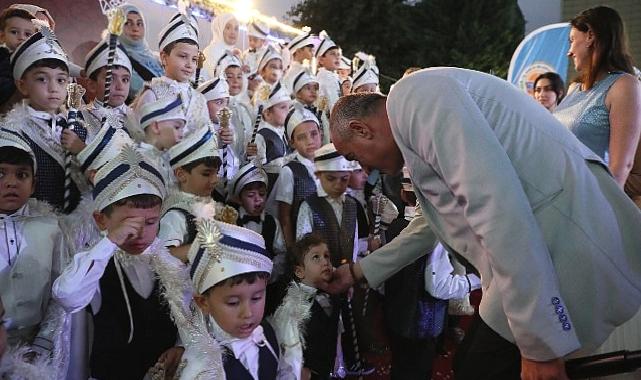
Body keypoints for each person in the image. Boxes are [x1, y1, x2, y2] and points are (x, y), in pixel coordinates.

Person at [327, 69, 641, 380]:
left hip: (566, 251)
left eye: (354, 156)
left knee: (476, 369)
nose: (364, 169)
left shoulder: (417, 98)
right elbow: (431, 222)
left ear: (362, 129)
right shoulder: (416, 109)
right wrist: (361, 271)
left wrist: (539, 343)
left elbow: (497, 209)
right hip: (542, 257)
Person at [52, 145, 182, 380]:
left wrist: (181, 346)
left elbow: (188, 315)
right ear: (101, 220)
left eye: (151, 222)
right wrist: (110, 242)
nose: (140, 233)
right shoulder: (96, 262)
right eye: (128, 224)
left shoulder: (165, 263)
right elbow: (68, 296)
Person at [296, 143, 373, 377]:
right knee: (322, 329)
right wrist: (316, 279)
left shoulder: (352, 204)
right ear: (318, 175)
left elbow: (355, 238)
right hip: (318, 282)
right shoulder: (309, 205)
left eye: (344, 178)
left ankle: (346, 364)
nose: (339, 185)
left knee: (346, 323)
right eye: (332, 179)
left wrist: (349, 271)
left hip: (343, 276)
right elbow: (303, 245)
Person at [0, 127, 70, 378]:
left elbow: (60, 292)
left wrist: (43, 343)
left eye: (22, 175)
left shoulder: (50, 228)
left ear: (33, 184)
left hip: (33, 349)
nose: (11, 182)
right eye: (1, 174)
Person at [554, 6, 641, 190]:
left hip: (589, 198)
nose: (569, 51)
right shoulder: (573, 88)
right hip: (557, 190)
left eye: (572, 40)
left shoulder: (624, 85)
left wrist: (598, 211)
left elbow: (620, 168)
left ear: (590, 36)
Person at [183, 218, 281, 379]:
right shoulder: (203, 369)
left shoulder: (266, 333)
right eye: (233, 302)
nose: (248, 313)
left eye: (256, 298)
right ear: (203, 302)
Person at [4, 23, 84, 213]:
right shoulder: (11, 131)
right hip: (33, 223)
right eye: (42, 79)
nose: (53, 88)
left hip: (78, 227)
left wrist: (82, 149)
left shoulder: (78, 126)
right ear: (23, 85)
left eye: (61, 80)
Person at [273, 233, 340, 380]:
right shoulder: (293, 306)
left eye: (326, 256)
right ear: (299, 271)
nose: (325, 262)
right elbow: (287, 344)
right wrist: (301, 372)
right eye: (316, 257)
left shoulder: (332, 293)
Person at [132, 10, 209, 138]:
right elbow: (140, 139)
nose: (189, 64)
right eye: (183, 56)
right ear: (164, 57)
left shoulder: (199, 99)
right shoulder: (152, 95)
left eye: (194, 59)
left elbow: (206, 136)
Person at [159, 126, 221, 263]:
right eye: (206, 174)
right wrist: (209, 245)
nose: (215, 180)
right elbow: (164, 256)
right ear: (181, 175)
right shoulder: (177, 215)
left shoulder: (210, 205)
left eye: (216, 173)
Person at [272, 103, 322, 250]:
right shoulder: (290, 171)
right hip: (304, 242)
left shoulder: (328, 163)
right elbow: (285, 217)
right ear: (292, 142)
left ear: (321, 133)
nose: (310, 141)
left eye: (314, 134)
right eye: (302, 137)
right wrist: (292, 251)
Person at [81, 37, 134, 142]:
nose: (120, 86)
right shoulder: (81, 118)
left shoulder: (137, 117)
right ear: (92, 85)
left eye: (125, 79)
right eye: (110, 79)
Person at [137, 94, 186, 188]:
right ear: (155, 127)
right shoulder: (140, 160)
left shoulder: (170, 158)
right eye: (177, 127)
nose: (181, 135)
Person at [251, 81, 291, 194]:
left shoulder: (283, 133)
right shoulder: (261, 136)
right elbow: (256, 171)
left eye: (289, 107)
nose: (288, 112)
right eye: (283, 107)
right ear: (267, 113)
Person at [117, 3, 163, 99]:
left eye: (139, 24)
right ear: (117, 26)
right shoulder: (116, 58)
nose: (135, 29)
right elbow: (136, 89)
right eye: (128, 23)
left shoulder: (155, 57)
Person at [0, 6, 35, 112]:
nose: (22, 37)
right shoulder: (3, 56)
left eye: (28, 34)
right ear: (2, 37)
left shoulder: (33, 59)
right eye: (14, 32)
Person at [314, 31, 341, 144]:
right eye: (332, 54)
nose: (337, 57)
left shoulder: (331, 76)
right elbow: (333, 105)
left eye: (338, 54)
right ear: (321, 60)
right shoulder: (325, 78)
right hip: (328, 126)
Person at [203, 13, 240, 79]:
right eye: (228, 28)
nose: (233, 32)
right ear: (219, 29)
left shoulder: (235, 55)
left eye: (236, 29)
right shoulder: (210, 51)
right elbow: (206, 82)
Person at [282, 29, 314, 94]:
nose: (312, 54)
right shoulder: (293, 71)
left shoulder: (301, 69)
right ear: (299, 51)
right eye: (309, 50)